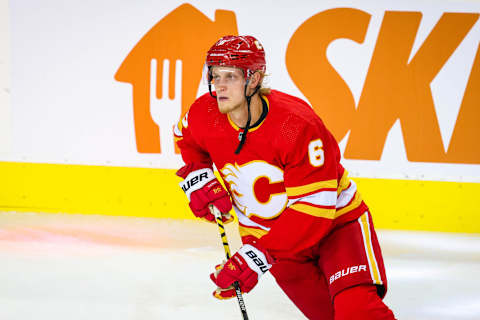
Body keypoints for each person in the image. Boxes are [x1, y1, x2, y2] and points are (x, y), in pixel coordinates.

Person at [174, 35, 396, 320]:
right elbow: (186, 139)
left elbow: (315, 209)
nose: (219, 85)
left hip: (337, 228)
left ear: (253, 80)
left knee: (356, 311)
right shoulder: (205, 113)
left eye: (229, 76)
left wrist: (257, 256)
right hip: (278, 247)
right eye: (215, 75)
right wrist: (199, 175)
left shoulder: (294, 125)